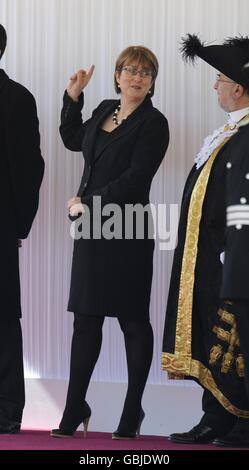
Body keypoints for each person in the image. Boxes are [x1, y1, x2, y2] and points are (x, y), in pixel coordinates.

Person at [51, 45, 169, 439]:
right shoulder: (102, 108)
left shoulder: (155, 123)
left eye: (145, 72)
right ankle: (73, 409)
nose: (137, 77)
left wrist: (88, 202)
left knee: (132, 321)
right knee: (85, 320)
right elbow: (72, 139)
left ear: (152, 83)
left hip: (128, 227)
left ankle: (131, 410)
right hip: (90, 229)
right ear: (117, 75)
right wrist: (72, 98)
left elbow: (136, 178)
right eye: (130, 69)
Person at [162, 34, 249, 448]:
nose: (215, 86)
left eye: (219, 78)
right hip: (211, 255)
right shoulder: (230, 132)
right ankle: (216, 416)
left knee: (236, 337)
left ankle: (243, 418)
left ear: (238, 86)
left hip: (234, 256)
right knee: (212, 333)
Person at [0, 24, 44, 433]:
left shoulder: (15, 97)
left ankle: (7, 410)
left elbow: (28, 168)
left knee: (2, 315)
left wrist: (17, 223)